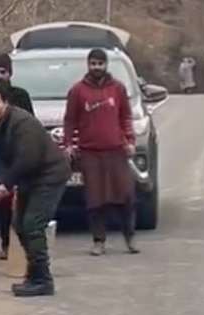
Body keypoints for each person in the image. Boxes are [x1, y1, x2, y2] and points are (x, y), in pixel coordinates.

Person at [0, 82, 70, 297]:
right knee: (19, 224)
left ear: (6, 103)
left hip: (49, 174)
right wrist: (0, 183)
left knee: (32, 224)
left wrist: (7, 185)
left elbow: (28, 159)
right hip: (30, 177)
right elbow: (5, 160)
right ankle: (33, 274)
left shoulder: (22, 123)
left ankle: (43, 279)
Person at [63, 48, 138, 255]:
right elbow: (70, 120)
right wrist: (69, 144)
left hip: (116, 150)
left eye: (100, 64)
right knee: (95, 200)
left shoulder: (118, 89)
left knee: (126, 196)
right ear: (88, 65)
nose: (97, 67)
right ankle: (99, 240)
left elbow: (126, 117)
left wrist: (130, 140)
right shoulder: (78, 91)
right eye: (93, 64)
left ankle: (129, 238)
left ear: (106, 65)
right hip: (90, 152)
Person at [0, 53, 34, 260]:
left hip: (21, 155)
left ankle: (24, 243)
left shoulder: (21, 96)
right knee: (2, 203)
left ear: (10, 72)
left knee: (24, 201)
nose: (0, 76)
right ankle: (6, 243)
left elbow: (31, 125)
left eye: (3, 72)